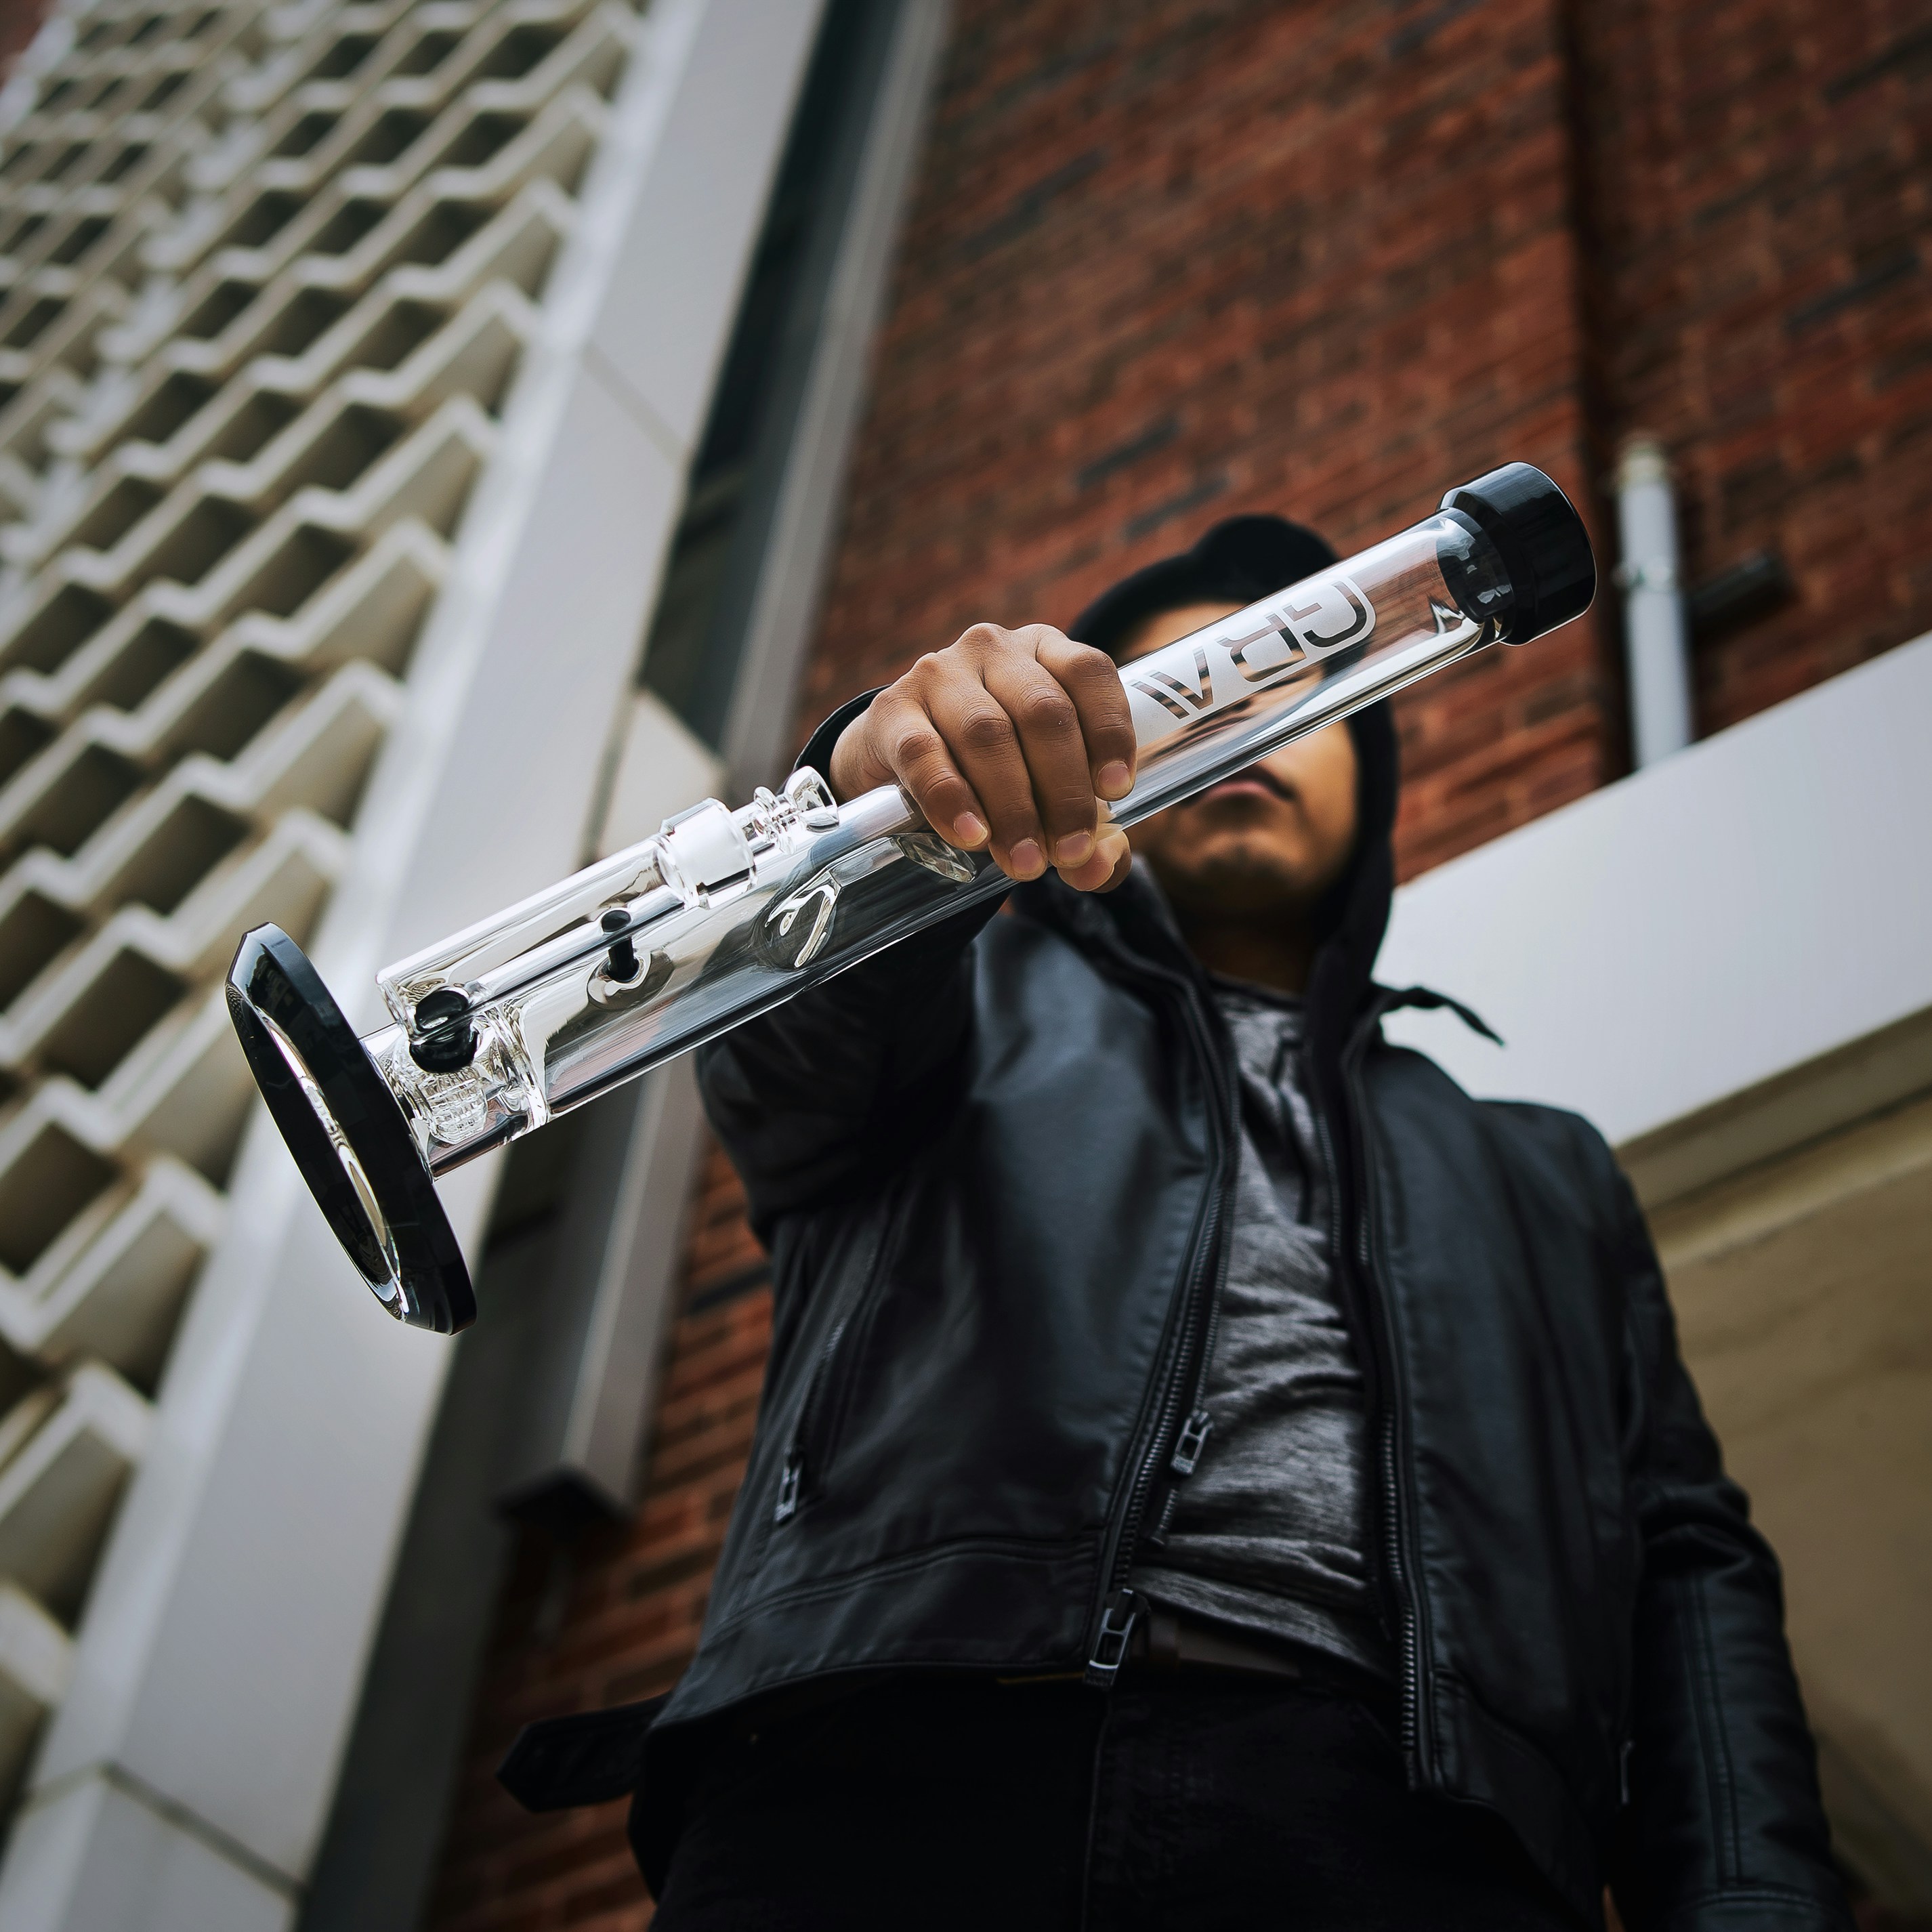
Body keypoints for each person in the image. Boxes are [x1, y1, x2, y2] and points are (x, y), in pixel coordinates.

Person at [503, 517, 1850, 1931]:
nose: (1237, 711)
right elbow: (787, 1055)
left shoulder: (1545, 1170)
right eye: (1177, 688)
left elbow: (1685, 1566)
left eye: (1291, 678)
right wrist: (885, 806)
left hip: (1419, 1844)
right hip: (876, 1775)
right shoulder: (946, 1001)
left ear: (1366, 764)